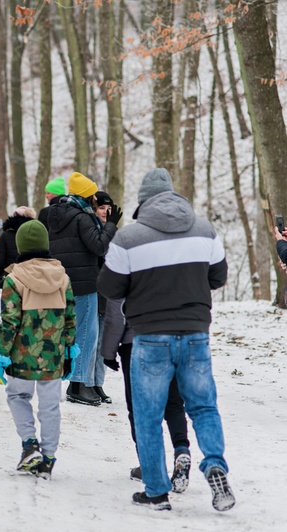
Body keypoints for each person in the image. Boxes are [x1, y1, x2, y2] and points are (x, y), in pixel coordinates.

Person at [97, 168, 234, 512]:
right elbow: (218, 277)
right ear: (174, 196)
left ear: (143, 201)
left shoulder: (128, 238)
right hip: (195, 334)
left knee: (147, 413)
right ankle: (215, 463)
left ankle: (156, 490)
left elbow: (109, 287)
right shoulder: (205, 230)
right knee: (202, 406)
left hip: (150, 336)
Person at [0, 220, 76, 479]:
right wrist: (70, 348)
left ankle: (30, 444)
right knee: (50, 406)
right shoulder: (63, 278)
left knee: (18, 397)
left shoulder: (13, 279)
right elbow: (71, 316)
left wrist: (0, 353)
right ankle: (49, 457)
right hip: (54, 354)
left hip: (22, 355)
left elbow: (10, 321)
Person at [101, 298, 192, 492]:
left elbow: (116, 316)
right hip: (171, 341)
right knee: (173, 404)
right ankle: (181, 449)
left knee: (139, 408)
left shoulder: (127, 269)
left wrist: (108, 352)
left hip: (135, 344)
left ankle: (148, 465)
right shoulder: (173, 269)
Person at [46, 172, 120, 406]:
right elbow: (98, 246)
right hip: (85, 283)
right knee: (87, 334)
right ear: (89, 196)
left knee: (73, 332)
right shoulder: (82, 218)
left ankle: (78, 382)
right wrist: (111, 227)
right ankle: (78, 385)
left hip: (62, 282)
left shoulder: (56, 214)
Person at [90, 190, 115, 403]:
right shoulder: (93, 229)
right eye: (101, 208)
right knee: (92, 339)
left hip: (108, 291)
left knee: (102, 342)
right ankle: (87, 383)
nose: (106, 212)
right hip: (94, 289)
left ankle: (98, 383)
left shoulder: (112, 229)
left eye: (109, 209)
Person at [0, 206, 36, 291]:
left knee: (9, 304)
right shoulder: (37, 235)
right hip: (32, 281)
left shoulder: (6, 235)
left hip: (10, 281)